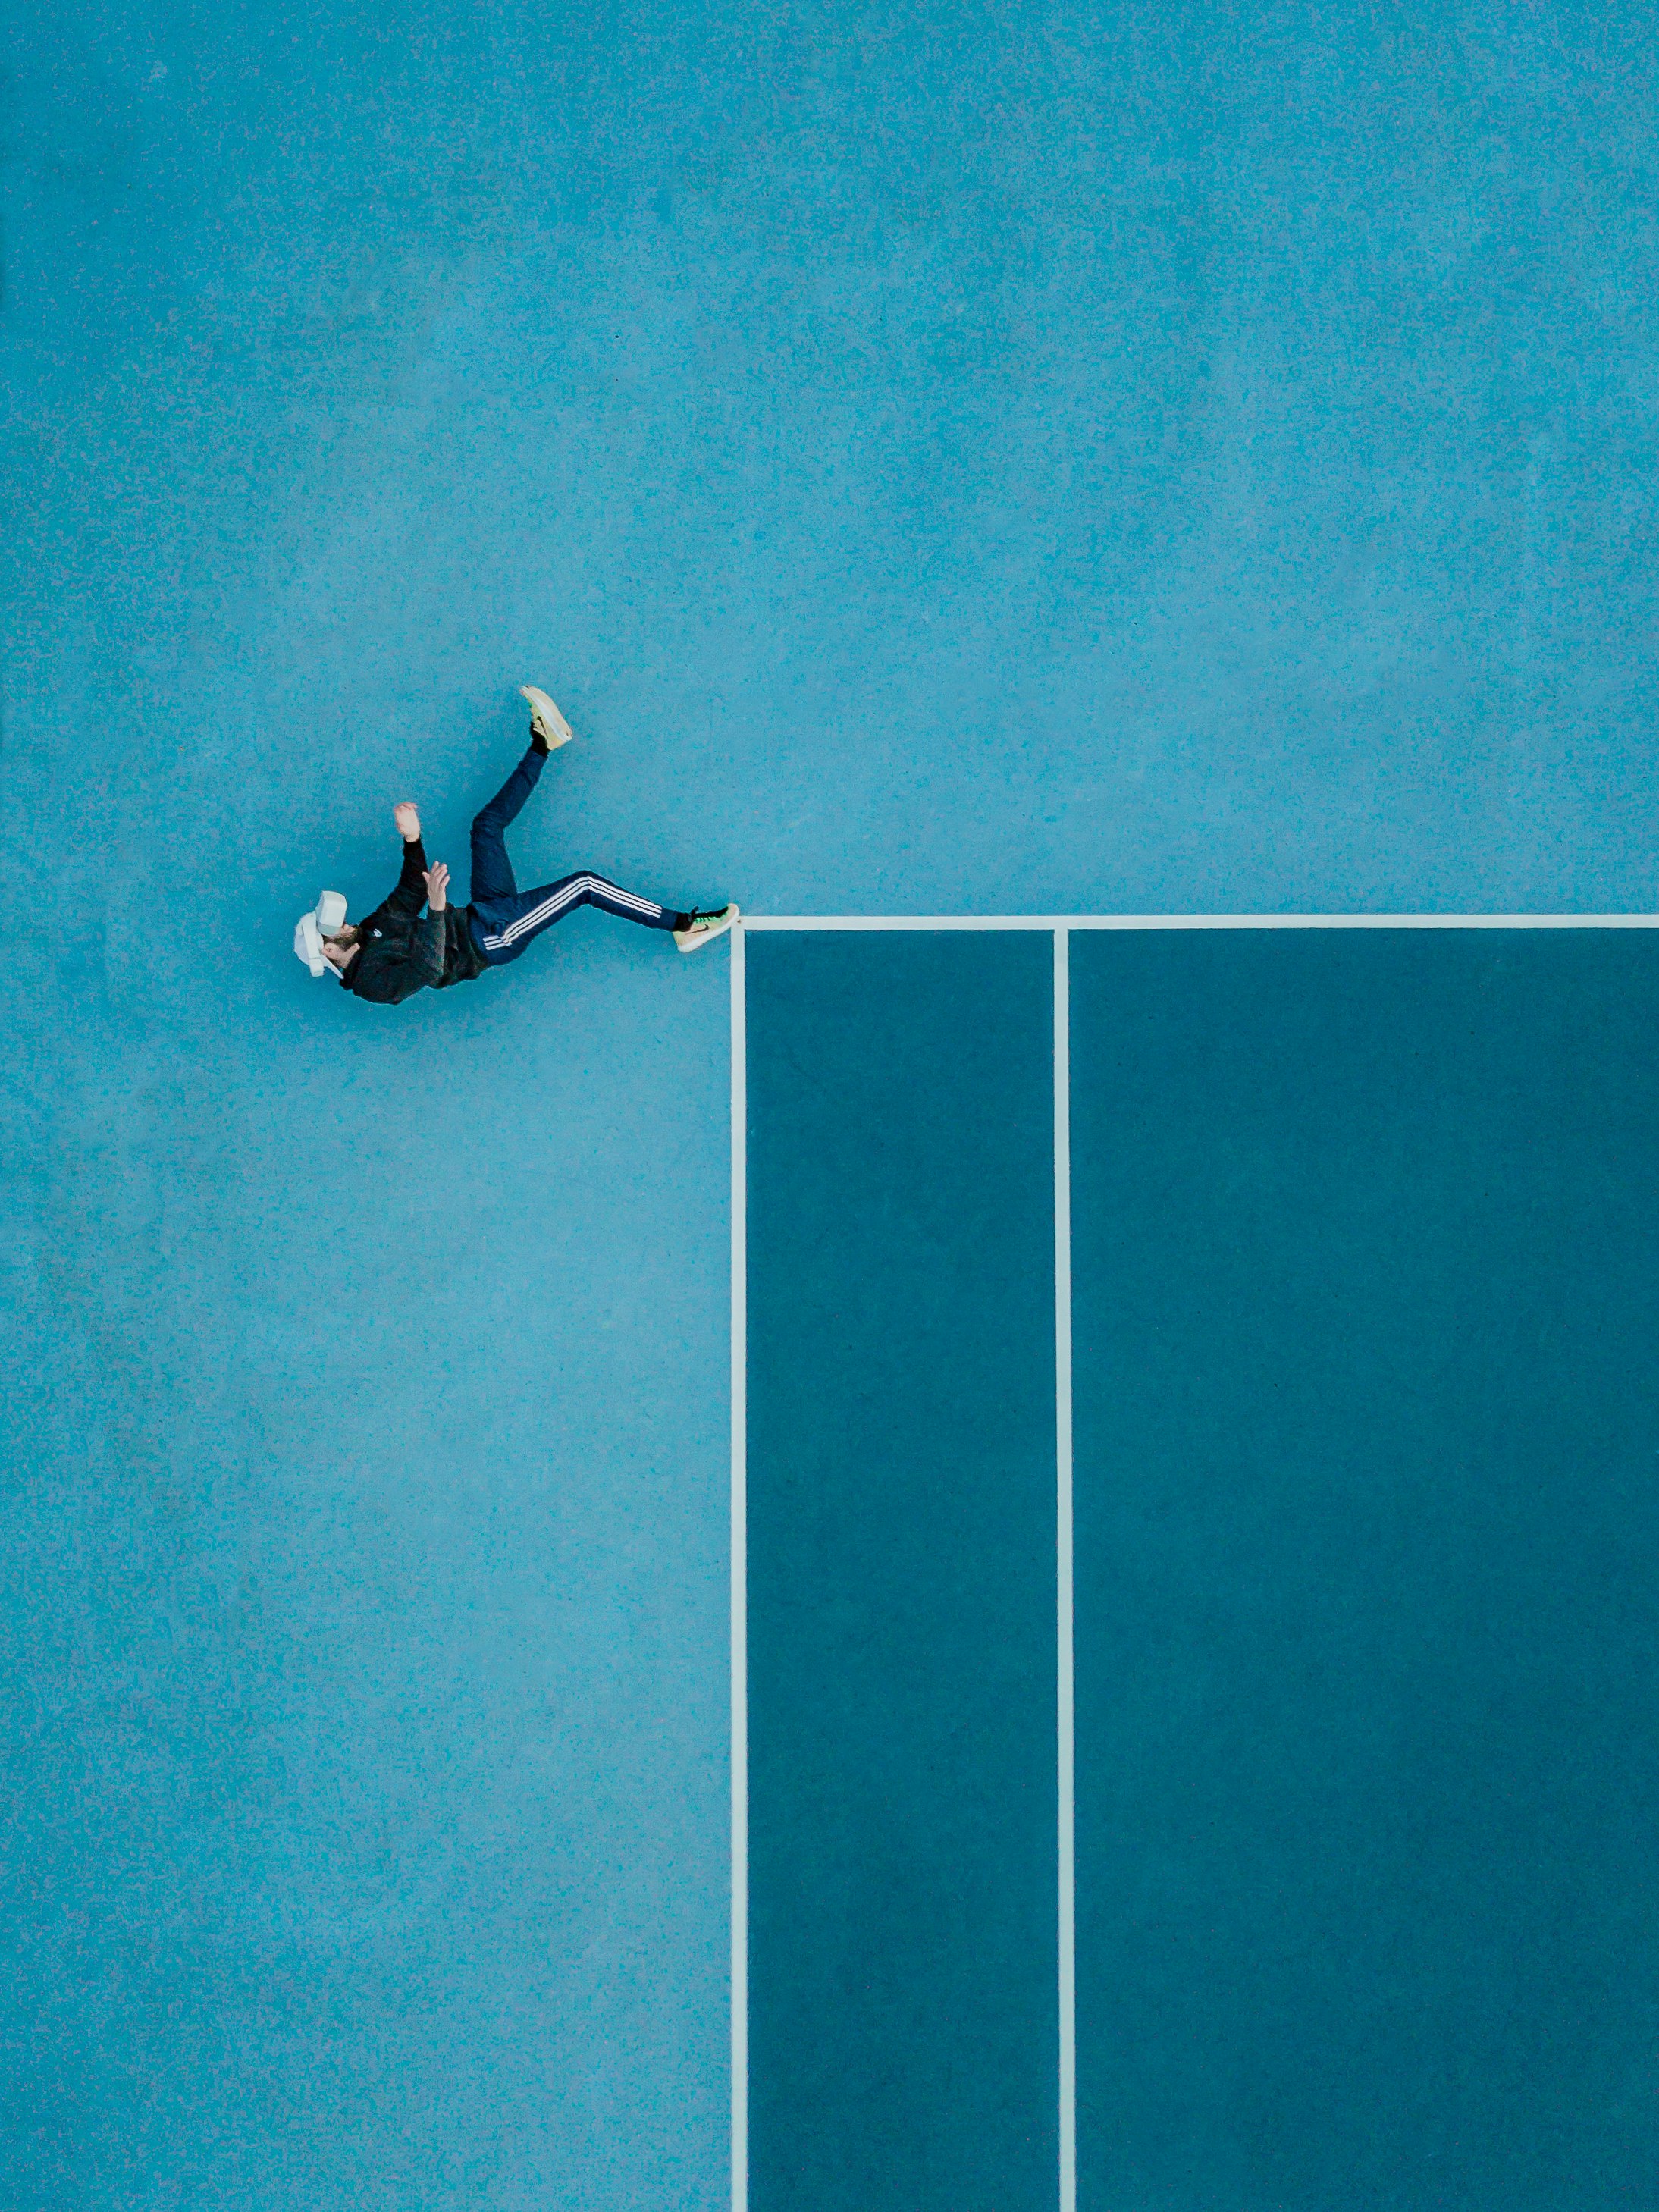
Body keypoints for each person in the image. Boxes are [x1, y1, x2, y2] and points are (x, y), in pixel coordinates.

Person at [293, 687, 738, 1006]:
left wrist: (412, 838)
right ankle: (683, 925)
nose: (344, 922)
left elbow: (410, 889)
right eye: (333, 928)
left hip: (482, 912)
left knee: (485, 826)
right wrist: (438, 907)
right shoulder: (372, 982)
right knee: (584, 885)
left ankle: (544, 742)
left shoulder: (372, 928)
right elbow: (428, 968)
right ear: (329, 950)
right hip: (492, 938)